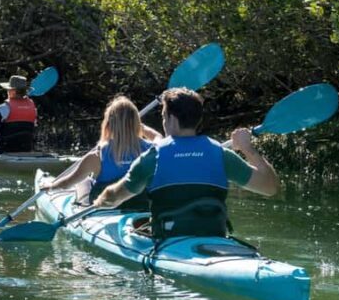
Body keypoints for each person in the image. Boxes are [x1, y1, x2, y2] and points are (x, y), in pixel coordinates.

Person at [93, 88, 279, 239]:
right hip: (214, 239)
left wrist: (99, 202)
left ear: (172, 119)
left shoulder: (153, 156)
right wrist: (248, 149)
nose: (163, 122)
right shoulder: (222, 154)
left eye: (164, 116)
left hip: (167, 240)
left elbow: (114, 196)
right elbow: (270, 188)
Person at [42, 96, 161, 209]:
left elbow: (67, 184)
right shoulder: (153, 151)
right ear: (136, 123)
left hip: (105, 209)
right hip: (140, 207)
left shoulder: (97, 156)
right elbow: (158, 137)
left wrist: (51, 187)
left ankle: (79, 206)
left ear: (108, 124)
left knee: (84, 181)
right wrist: (141, 127)